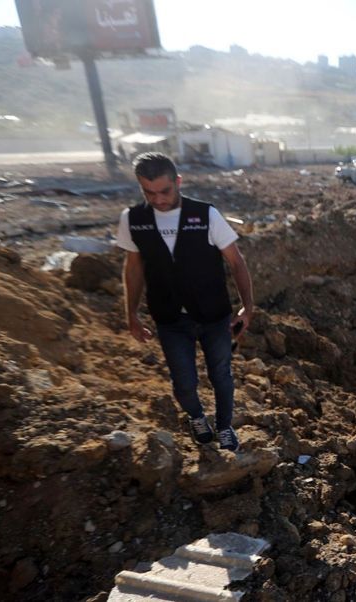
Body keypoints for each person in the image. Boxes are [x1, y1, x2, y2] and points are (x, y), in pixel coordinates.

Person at [116, 152, 254, 451]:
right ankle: (196, 417)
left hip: (213, 314)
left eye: (164, 191)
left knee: (221, 374)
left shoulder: (206, 215)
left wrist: (248, 306)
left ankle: (225, 426)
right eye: (149, 192)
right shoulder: (133, 220)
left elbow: (236, 262)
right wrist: (131, 315)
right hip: (169, 318)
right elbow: (133, 268)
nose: (159, 199)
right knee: (183, 383)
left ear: (178, 182)